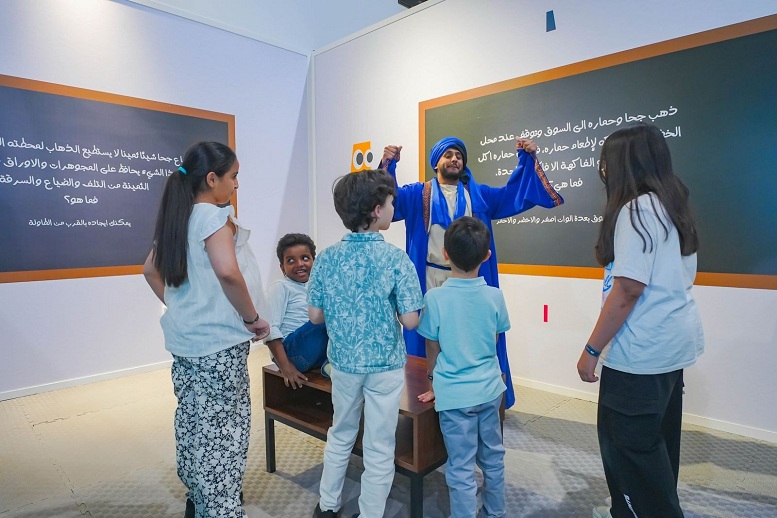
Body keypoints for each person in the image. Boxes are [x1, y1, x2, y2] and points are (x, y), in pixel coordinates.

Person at [575, 123, 704, 518]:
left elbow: (627, 291)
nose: (602, 170)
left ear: (622, 164)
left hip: (640, 354)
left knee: (630, 454)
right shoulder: (672, 203)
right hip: (672, 346)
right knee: (657, 445)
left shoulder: (636, 210)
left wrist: (591, 350)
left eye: (605, 162)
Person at [381, 136, 563, 408]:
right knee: (429, 340)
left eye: (459, 155)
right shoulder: (418, 194)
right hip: (430, 280)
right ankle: (426, 398)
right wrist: (388, 164)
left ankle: (482, 397)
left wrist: (526, 160)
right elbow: (386, 199)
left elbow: (514, 194)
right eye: (448, 155)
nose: (454, 159)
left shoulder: (480, 195)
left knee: (471, 340)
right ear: (436, 163)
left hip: (470, 282)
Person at [142, 141, 270, 518]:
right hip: (219, 346)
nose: (236, 185)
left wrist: (182, 306)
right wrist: (252, 319)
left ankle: (198, 501)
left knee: (194, 423)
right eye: (233, 177)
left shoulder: (178, 218)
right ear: (212, 179)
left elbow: (150, 271)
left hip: (186, 343)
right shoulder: (214, 219)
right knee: (225, 435)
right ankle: (222, 509)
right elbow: (228, 272)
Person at [308, 169, 423, 518]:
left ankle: (327, 506)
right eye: (391, 204)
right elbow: (411, 320)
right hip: (384, 366)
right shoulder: (395, 259)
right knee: (379, 444)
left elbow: (315, 316)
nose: (393, 210)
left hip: (342, 362)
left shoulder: (326, 257)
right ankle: (370, 513)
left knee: (340, 432)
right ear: (376, 209)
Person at [416, 216, 510, 518]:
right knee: (493, 458)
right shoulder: (495, 296)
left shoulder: (435, 298)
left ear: (445, 254)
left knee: (460, 467)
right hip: (490, 390)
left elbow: (432, 346)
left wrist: (433, 382)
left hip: (455, 396)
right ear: (487, 255)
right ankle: (496, 512)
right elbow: (493, 339)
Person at [264, 233, 330, 388]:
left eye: (305, 258)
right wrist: (285, 367)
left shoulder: (318, 286)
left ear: (314, 261)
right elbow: (270, 329)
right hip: (292, 353)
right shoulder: (280, 287)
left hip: (317, 354)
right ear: (282, 267)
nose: (299, 264)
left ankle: (329, 366)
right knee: (323, 317)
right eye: (291, 260)